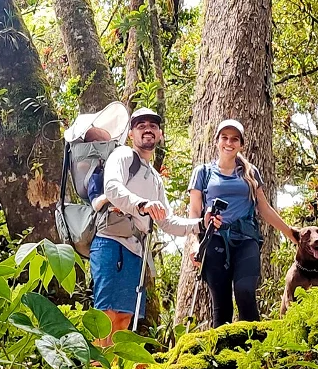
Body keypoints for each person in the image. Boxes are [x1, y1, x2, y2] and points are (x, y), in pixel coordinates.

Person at [93, 107, 218, 344]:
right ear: (131, 134)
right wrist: (142, 204)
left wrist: (200, 224)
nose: (147, 129)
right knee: (105, 313)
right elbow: (112, 187)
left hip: (135, 249)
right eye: (141, 126)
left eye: (152, 126)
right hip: (111, 241)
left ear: (159, 134)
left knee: (124, 316)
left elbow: (167, 221)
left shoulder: (155, 178)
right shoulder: (122, 157)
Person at [186, 119, 299, 326]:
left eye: (234, 139)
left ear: (241, 144)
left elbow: (264, 208)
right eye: (225, 138)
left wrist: (290, 232)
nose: (229, 143)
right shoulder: (202, 173)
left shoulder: (250, 173)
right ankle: (222, 356)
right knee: (221, 305)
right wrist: (195, 243)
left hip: (247, 239)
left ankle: (255, 351)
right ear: (216, 141)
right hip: (214, 240)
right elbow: (194, 211)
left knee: (245, 292)